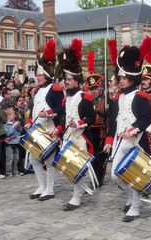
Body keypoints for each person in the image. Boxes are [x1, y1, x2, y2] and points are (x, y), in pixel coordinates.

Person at [103, 45, 151, 222]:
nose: (121, 81)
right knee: (115, 175)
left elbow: (146, 119)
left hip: (136, 142)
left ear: (132, 78)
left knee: (133, 175)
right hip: (119, 142)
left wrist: (133, 130)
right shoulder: (117, 98)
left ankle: (136, 206)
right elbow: (113, 121)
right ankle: (132, 197)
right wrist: (109, 139)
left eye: (124, 78)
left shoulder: (141, 96)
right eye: (120, 77)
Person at [57, 39, 96, 211]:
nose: (66, 81)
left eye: (69, 79)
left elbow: (92, 117)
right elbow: (63, 118)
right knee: (67, 170)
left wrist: (80, 123)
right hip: (67, 137)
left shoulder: (84, 97)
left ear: (77, 80)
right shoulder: (66, 98)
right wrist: (59, 128)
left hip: (80, 138)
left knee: (76, 169)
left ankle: (76, 197)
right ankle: (81, 190)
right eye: (65, 79)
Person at [24, 39, 64, 201]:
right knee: (34, 159)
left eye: (40, 74)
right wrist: (28, 121)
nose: (38, 77)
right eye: (37, 74)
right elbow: (31, 109)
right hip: (36, 131)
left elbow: (62, 109)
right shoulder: (37, 91)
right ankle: (41, 186)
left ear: (47, 74)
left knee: (49, 161)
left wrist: (48, 113)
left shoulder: (54, 89)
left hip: (49, 130)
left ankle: (50, 188)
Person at [84, 73, 108, 186]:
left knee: (100, 157)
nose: (94, 91)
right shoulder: (87, 101)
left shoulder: (106, 101)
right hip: (90, 131)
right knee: (91, 156)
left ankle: (98, 179)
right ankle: (93, 177)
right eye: (91, 88)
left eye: (96, 88)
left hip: (101, 131)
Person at [4, 107, 22, 176]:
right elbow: (8, 134)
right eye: (13, 115)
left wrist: (18, 125)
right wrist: (14, 126)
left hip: (16, 143)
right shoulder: (5, 125)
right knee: (10, 159)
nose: (14, 116)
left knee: (16, 158)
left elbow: (20, 131)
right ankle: (9, 172)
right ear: (8, 116)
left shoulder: (15, 123)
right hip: (9, 144)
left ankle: (15, 171)